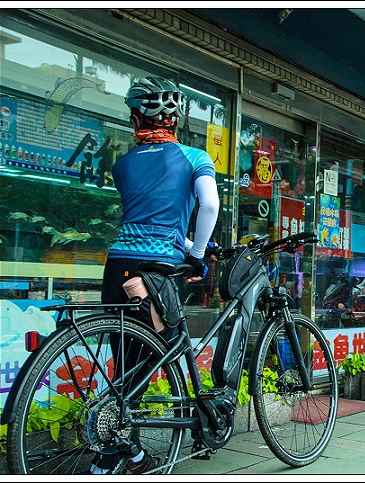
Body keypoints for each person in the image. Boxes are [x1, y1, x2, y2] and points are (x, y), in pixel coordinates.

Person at [95, 76, 220, 474]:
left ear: (135, 118)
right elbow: (211, 206)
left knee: (125, 365)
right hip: (154, 273)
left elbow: (148, 220)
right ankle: (109, 453)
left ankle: (125, 453)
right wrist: (198, 253)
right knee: (151, 362)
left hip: (118, 269)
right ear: (177, 119)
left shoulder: (122, 164)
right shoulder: (195, 156)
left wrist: (185, 242)